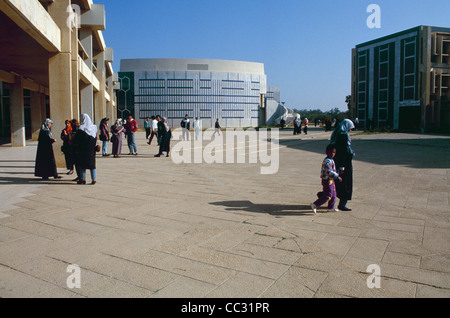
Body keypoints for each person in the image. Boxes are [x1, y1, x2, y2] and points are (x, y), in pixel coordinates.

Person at [330, 119, 355, 211]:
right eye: (350, 128)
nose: (350, 130)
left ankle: (326, 195)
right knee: (345, 183)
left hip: (339, 162)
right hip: (344, 164)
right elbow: (344, 152)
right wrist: (342, 166)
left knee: (337, 182)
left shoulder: (338, 134)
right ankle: (342, 204)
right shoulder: (343, 136)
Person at [310, 144, 342, 213]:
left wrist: (338, 172)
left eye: (334, 152)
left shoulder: (331, 160)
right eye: (331, 152)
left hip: (331, 180)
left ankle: (331, 207)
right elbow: (329, 171)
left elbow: (333, 170)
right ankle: (315, 204)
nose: (333, 154)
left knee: (334, 194)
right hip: (327, 180)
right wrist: (337, 176)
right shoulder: (327, 161)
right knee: (328, 195)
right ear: (327, 152)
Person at [73, 114, 98, 185]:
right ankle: (93, 179)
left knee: (82, 165)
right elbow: (96, 139)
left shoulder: (81, 129)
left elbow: (77, 140)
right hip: (91, 149)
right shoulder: (94, 128)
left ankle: (83, 180)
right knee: (92, 165)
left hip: (83, 150)